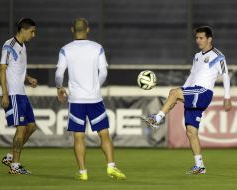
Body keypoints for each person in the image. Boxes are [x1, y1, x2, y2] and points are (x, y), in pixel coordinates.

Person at [142, 26, 232, 174]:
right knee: (191, 132)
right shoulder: (197, 56)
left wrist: (227, 97)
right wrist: (182, 91)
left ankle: (157, 119)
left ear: (210, 39)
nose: (198, 40)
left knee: (173, 92)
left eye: (201, 38)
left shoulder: (218, 56)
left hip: (203, 92)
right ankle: (200, 166)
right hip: (194, 91)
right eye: (197, 38)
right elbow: (192, 75)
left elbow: (225, 75)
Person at [55, 18, 126, 181]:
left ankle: (83, 172)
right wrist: (96, 86)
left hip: (76, 100)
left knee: (79, 136)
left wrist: (59, 87)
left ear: (72, 29)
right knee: (104, 134)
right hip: (94, 99)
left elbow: (59, 73)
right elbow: (104, 73)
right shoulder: (97, 48)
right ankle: (111, 167)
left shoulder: (65, 49)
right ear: (88, 30)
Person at [0, 18, 37, 174]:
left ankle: (10, 156)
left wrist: (28, 79)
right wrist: (5, 94)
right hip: (13, 93)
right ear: (23, 30)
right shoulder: (9, 46)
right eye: (32, 31)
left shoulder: (23, 46)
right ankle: (15, 166)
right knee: (21, 128)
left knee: (31, 127)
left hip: (22, 93)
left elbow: (18, 67)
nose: (34, 35)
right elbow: (2, 69)